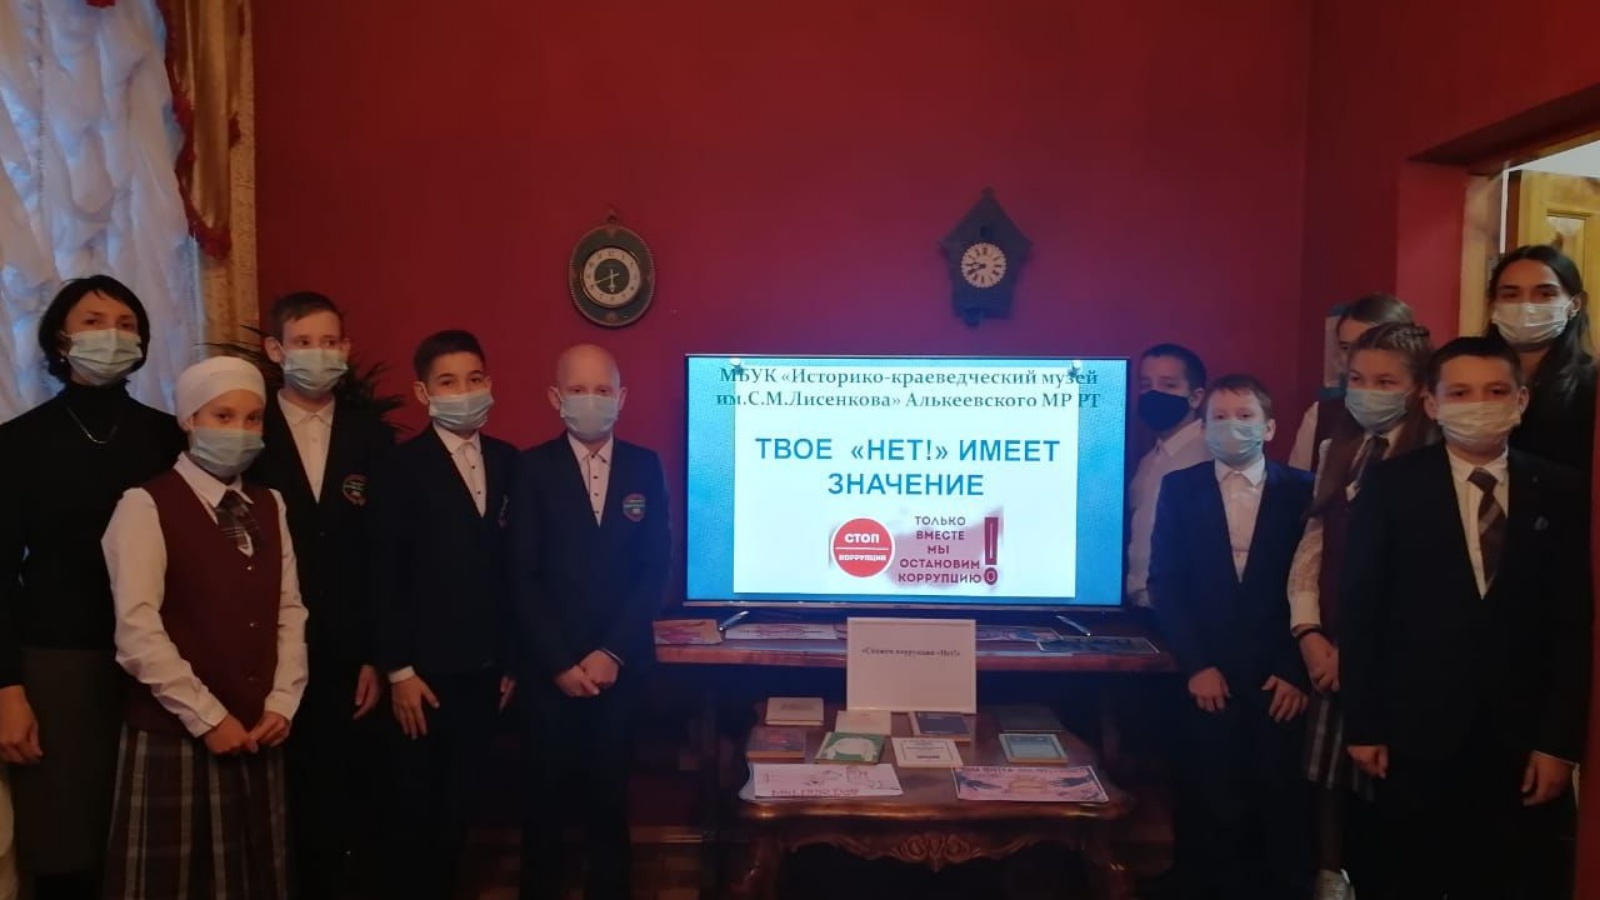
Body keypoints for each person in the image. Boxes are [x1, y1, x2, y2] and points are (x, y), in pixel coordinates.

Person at [1342, 337, 1591, 899]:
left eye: (1495, 391)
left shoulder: (1562, 489)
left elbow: (1572, 625)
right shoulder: (1391, 486)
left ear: (1521, 400)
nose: (1479, 404)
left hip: (1520, 738)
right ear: (1431, 403)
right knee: (1409, 877)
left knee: (1513, 879)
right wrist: (1363, 724)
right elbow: (1362, 611)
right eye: (1460, 392)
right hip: (1414, 733)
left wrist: (1559, 743)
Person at [0, 277, 185, 900]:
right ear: (61, 337)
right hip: (59, 662)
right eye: (94, 321)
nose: (112, 335)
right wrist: (7, 689)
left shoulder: (172, 438)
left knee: (152, 838)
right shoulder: (18, 443)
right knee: (65, 842)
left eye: (126, 324)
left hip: (162, 660)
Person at [100, 355, 309, 899]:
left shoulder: (269, 504)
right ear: (189, 420)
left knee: (251, 875)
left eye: (252, 418)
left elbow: (289, 609)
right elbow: (137, 630)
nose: (240, 430)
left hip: (257, 726)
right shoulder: (145, 505)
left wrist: (283, 699)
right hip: (177, 727)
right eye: (223, 416)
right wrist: (207, 717)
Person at [247, 292, 394, 900]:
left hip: (349, 653)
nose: (318, 353)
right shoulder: (246, 429)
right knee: (281, 802)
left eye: (330, 342)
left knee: (350, 797)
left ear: (346, 349)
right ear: (275, 349)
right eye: (303, 342)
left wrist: (376, 655)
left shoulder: (372, 436)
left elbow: (385, 554)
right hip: (265, 650)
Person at [511, 344, 670, 900]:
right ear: (555, 398)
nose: (591, 400)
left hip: (617, 670)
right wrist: (559, 663)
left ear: (621, 398)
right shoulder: (530, 469)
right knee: (544, 805)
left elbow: (655, 569)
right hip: (549, 673)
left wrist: (612, 653)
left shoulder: (645, 466)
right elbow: (521, 575)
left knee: (609, 801)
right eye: (578, 390)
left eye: (602, 390)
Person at [1286, 323, 1437, 900]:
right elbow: (1313, 547)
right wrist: (1309, 633)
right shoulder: (1338, 449)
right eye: (1357, 379)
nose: (1367, 392)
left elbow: (1417, 578)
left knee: (1385, 790)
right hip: (1328, 645)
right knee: (1330, 784)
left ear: (1418, 388)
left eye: (1385, 382)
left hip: (1391, 656)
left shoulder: (1429, 459)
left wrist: (1358, 651)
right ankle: (1331, 877)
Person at [1150, 374, 1314, 900]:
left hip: (1279, 678)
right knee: (1208, 799)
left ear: (1269, 427)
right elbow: (1165, 582)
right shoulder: (1181, 488)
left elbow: (1315, 585)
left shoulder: (1304, 490)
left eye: (1244, 416)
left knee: (1279, 801)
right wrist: (1196, 665)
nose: (1231, 426)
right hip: (1208, 674)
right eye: (1218, 417)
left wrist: (1295, 670)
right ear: (1203, 426)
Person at [369, 330, 517, 900]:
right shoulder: (399, 467)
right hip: (423, 675)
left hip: (486, 670)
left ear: (489, 383)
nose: (464, 392)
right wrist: (398, 670)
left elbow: (511, 570)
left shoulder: (507, 461)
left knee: (463, 805)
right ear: (423, 392)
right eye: (449, 382)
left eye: (474, 379)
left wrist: (510, 659)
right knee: (417, 810)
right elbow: (383, 573)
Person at [1485, 244, 1596, 473]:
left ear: (1575, 304)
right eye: (1511, 294)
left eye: (1545, 294)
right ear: (1493, 305)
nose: (1526, 306)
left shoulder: (1592, 385)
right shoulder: (1465, 377)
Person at [1125, 343, 1210, 611]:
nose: (1154, 394)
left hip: (1184, 611)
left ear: (1195, 397)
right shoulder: (1149, 461)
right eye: (1146, 385)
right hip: (1142, 607)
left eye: (1169, 385)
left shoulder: (1210, 455)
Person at [1289, 293, 1414, 471]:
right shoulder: (1322, 416)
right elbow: (1300, 482)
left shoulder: (1433, 424)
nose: (1355, 357)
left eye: (1368, 344)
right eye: (1346, 347)